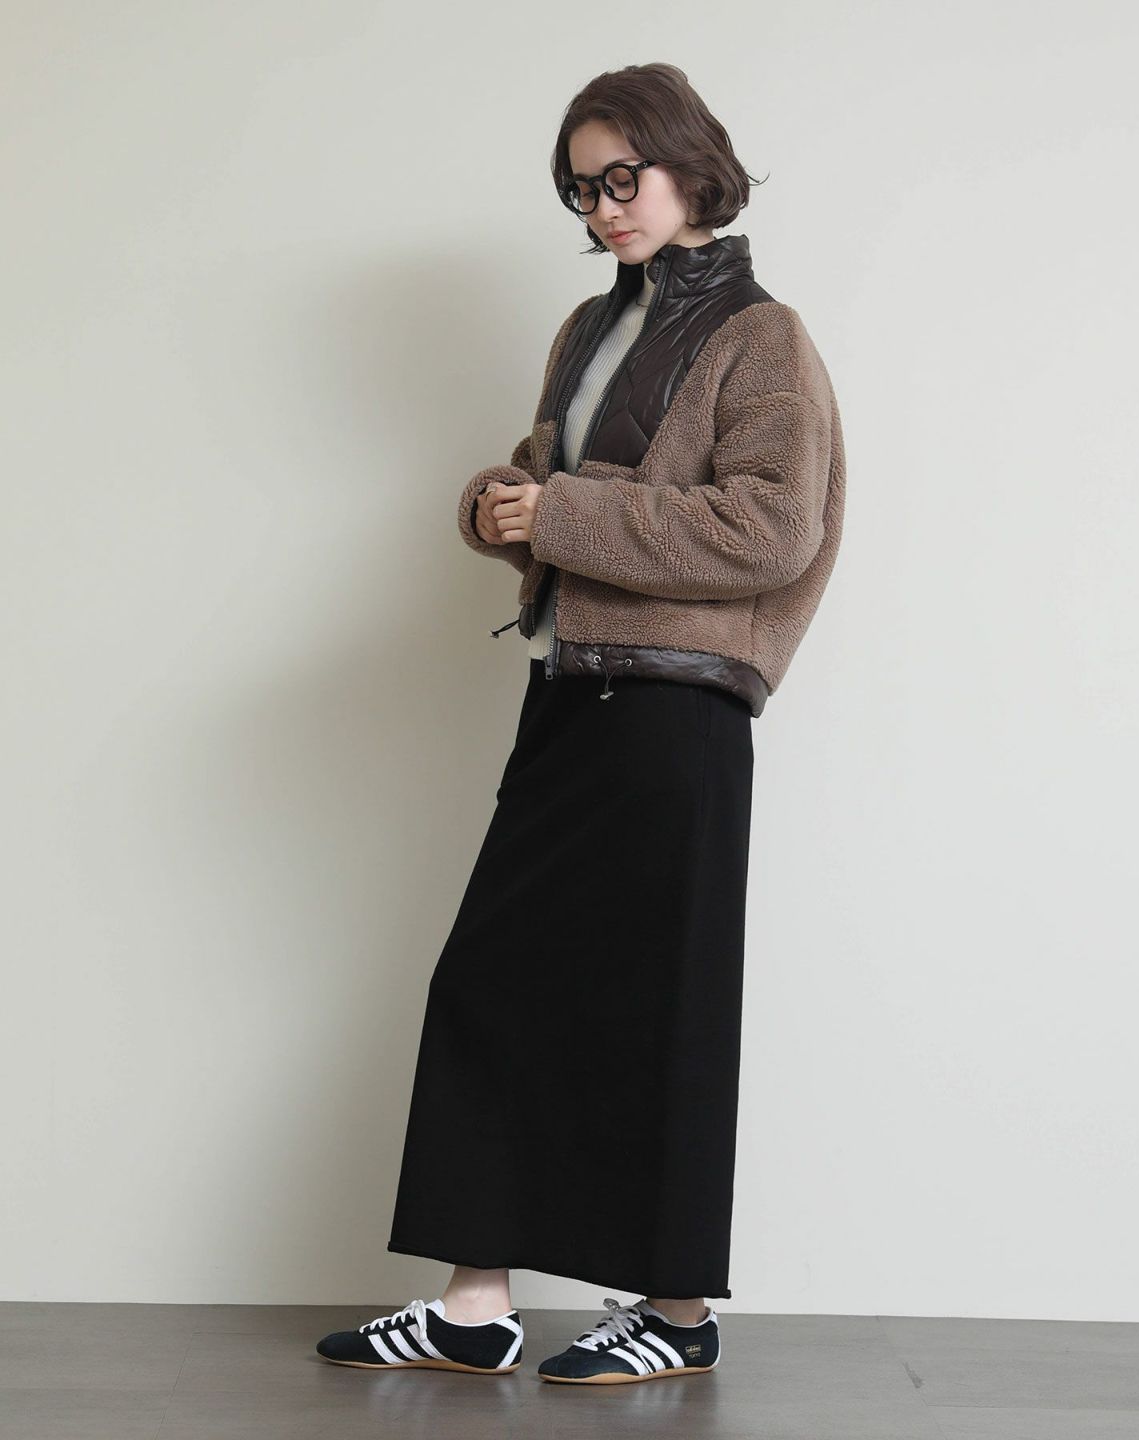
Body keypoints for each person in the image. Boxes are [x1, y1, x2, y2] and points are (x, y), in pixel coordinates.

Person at [316, 61, 845, 1386]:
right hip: (571, 686)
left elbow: (771, 530)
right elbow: (561, 490)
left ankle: (676, 1312)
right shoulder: (590, 325)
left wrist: (558, 513)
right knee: (496, 981)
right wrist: (505, 506)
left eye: (622, 177)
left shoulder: (763, 338)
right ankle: (474, 1307)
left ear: (689, 166)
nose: (604, 207)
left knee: (660, 1003)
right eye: (581, 189)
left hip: (677, 710)